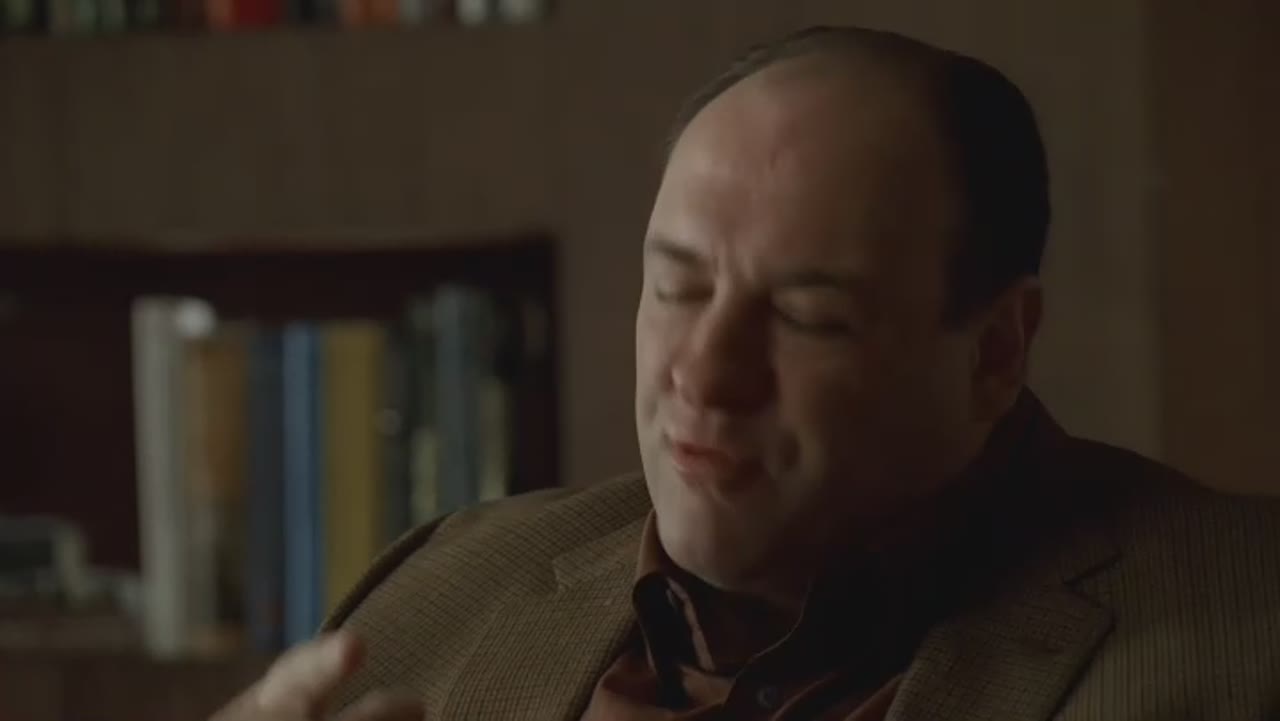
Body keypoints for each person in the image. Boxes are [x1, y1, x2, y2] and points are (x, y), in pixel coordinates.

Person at [213, 26, 1280, 721]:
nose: (704, 373)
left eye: (808, 315)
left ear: (994, 349)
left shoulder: (1243, 636)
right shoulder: (441, 584)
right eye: (676, 286)